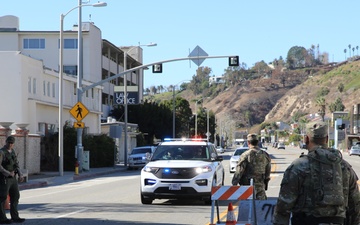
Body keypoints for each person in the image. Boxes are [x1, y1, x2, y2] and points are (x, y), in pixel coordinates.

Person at [272, 121, 360, 225]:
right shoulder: (345, 167)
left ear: (306, 139)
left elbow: (284, 206)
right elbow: (355, 206)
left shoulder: (298, 167)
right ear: (327, 139)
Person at [232, 133, 271, 200]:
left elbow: (239, 171)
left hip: (246, 188)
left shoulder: (245, 155)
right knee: (260, 207)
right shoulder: (265, 155)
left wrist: (234, 184)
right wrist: (265, 184)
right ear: (257, 142)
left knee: (247, 208)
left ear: (248, 142)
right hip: (260, 187)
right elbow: (268, 172)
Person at [0, 136, 25, 224]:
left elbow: (16, 164)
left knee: (15, 196)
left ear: (13, 144)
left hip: (13, 178)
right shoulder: (2, 152)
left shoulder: (13, 152)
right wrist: (7, 173)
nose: (10, 144)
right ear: (6, 142)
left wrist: (20, 174)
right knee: (2, 197)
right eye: (8, 142)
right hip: (4, 178)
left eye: (11, 143)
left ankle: (15, 217)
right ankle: (2, 218)